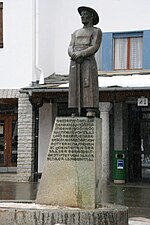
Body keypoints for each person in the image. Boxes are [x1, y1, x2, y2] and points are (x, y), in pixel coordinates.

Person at [68, 6, 102, 117]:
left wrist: (81, 53)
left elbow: (94, 46)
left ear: (92, 16)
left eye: (85, 14)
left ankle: (90, 108)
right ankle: (74, 108)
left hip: (87, 61)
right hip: (75, 61)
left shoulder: (96, 31)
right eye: (81, 14)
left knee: (88, 84)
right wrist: (72, 53)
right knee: (74, 85)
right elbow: (70, 46)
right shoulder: (76, 32)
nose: (82, 16)